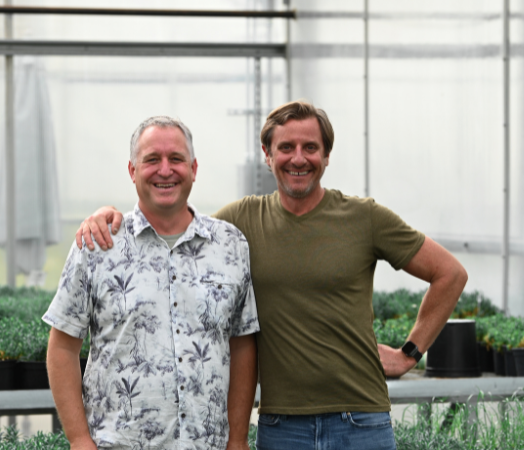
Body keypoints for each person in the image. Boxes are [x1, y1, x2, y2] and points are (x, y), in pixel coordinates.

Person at [75, 101, 468, 450]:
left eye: (310, 147)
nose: (299, 158)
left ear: (326, 156)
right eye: (286, 148)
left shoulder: (364, 218)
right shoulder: (240, 222)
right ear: (267, 155)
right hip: (282, 425)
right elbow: (177, 221)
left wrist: (408, 355)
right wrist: (110, 218)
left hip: (360, 419)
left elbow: (449, 273)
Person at [44, 116, 260, 450]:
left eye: (175, 159)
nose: (165, 170)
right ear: (132, 170)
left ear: (194, 168)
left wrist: (238, 438)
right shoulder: (99, 244)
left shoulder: (230, 245)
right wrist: (79, 440)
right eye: (151, 160)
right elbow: (62, 346)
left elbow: (242, 344)